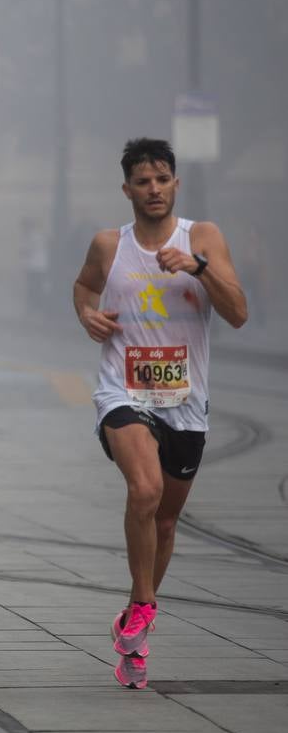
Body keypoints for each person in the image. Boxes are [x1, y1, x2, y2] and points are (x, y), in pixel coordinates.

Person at [73, 138, 247, 690]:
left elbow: (238, 313)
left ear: (175, 184)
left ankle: (134, 624)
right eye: (142, 182)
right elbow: (84, 287)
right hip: (122, 393)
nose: (153, 189)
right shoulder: (109, 244)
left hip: (185, 404)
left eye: (162, 179)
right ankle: (147, 603)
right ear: (127, 189)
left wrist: (198, 268)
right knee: (144, 492)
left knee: (166, 520)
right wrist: (87, 314)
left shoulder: (203, 238)